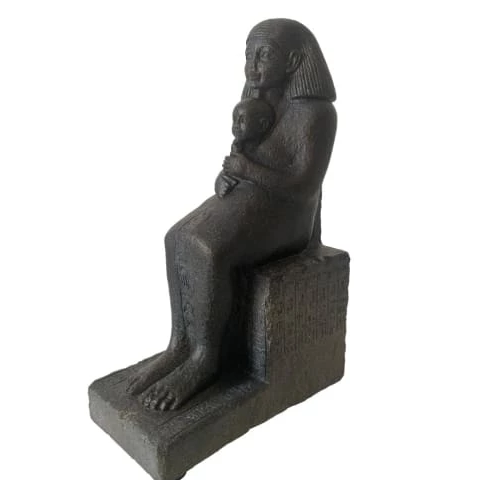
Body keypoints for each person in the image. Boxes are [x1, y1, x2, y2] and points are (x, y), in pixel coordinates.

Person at [127, 19, 338, 411]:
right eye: (248, 55)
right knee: (176, 238)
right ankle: (180, 346)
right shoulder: (256, 97)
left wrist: (246, 171)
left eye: (263, 55)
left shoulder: (317, 113)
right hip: (249, 196)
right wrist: (228, 176)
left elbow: (303, 187)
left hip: (291, 216)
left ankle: (205, 360)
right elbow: (241, 152)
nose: (252, 66)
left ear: (293, 62)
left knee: (208, 249)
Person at [216, 97, 275, 198]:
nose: (236, 125)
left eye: (242, 121)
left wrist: (247, 170)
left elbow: (276, 182)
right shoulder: (238, 145)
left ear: (263, 125)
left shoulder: (269, 150)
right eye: (234, 120)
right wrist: (220, 182)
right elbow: (229, 170)